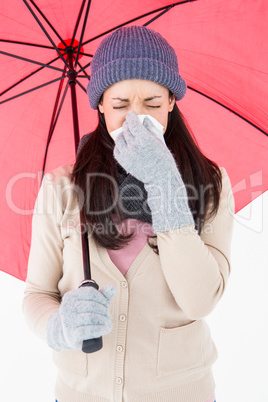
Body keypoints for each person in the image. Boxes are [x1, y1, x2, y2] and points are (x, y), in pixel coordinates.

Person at [23, 25, 235, 402]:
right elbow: (37, 294)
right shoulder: (62, 187)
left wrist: (164, 184)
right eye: (120, 105)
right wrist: (59, 326)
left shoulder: (212, 182)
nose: (136, 118)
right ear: (100, 104)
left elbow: (200, 301)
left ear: (172, 101)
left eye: (152, 103)